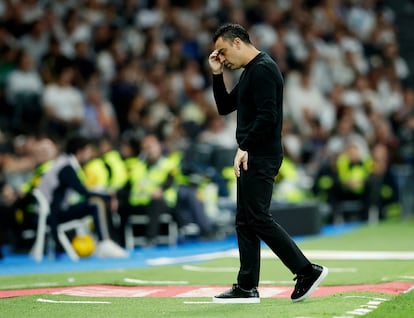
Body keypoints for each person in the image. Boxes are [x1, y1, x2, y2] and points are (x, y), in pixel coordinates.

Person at [208, 23, 328, 304]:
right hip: (254, 154)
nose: (222, 58)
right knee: (245, 221)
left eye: (223, 51)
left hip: (260, 155)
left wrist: (245, 145)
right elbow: (225, 107)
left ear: (238, 42)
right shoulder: (253, 71)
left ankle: (306, 270)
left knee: (257, 217)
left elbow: (269, 115)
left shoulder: (262, 69)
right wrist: (217, 74)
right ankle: (247, 285)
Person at [36, 134, 128, 258]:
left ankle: (107, 241)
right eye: (88, 151)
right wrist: (108, 197)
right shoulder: (66, 168)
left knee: (97, 201)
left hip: (55, 211)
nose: (90, 155)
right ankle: (105, 243)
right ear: (80, 151)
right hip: (53, 215)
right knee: (96, 203)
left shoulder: (65, 163)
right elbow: (83, 192)